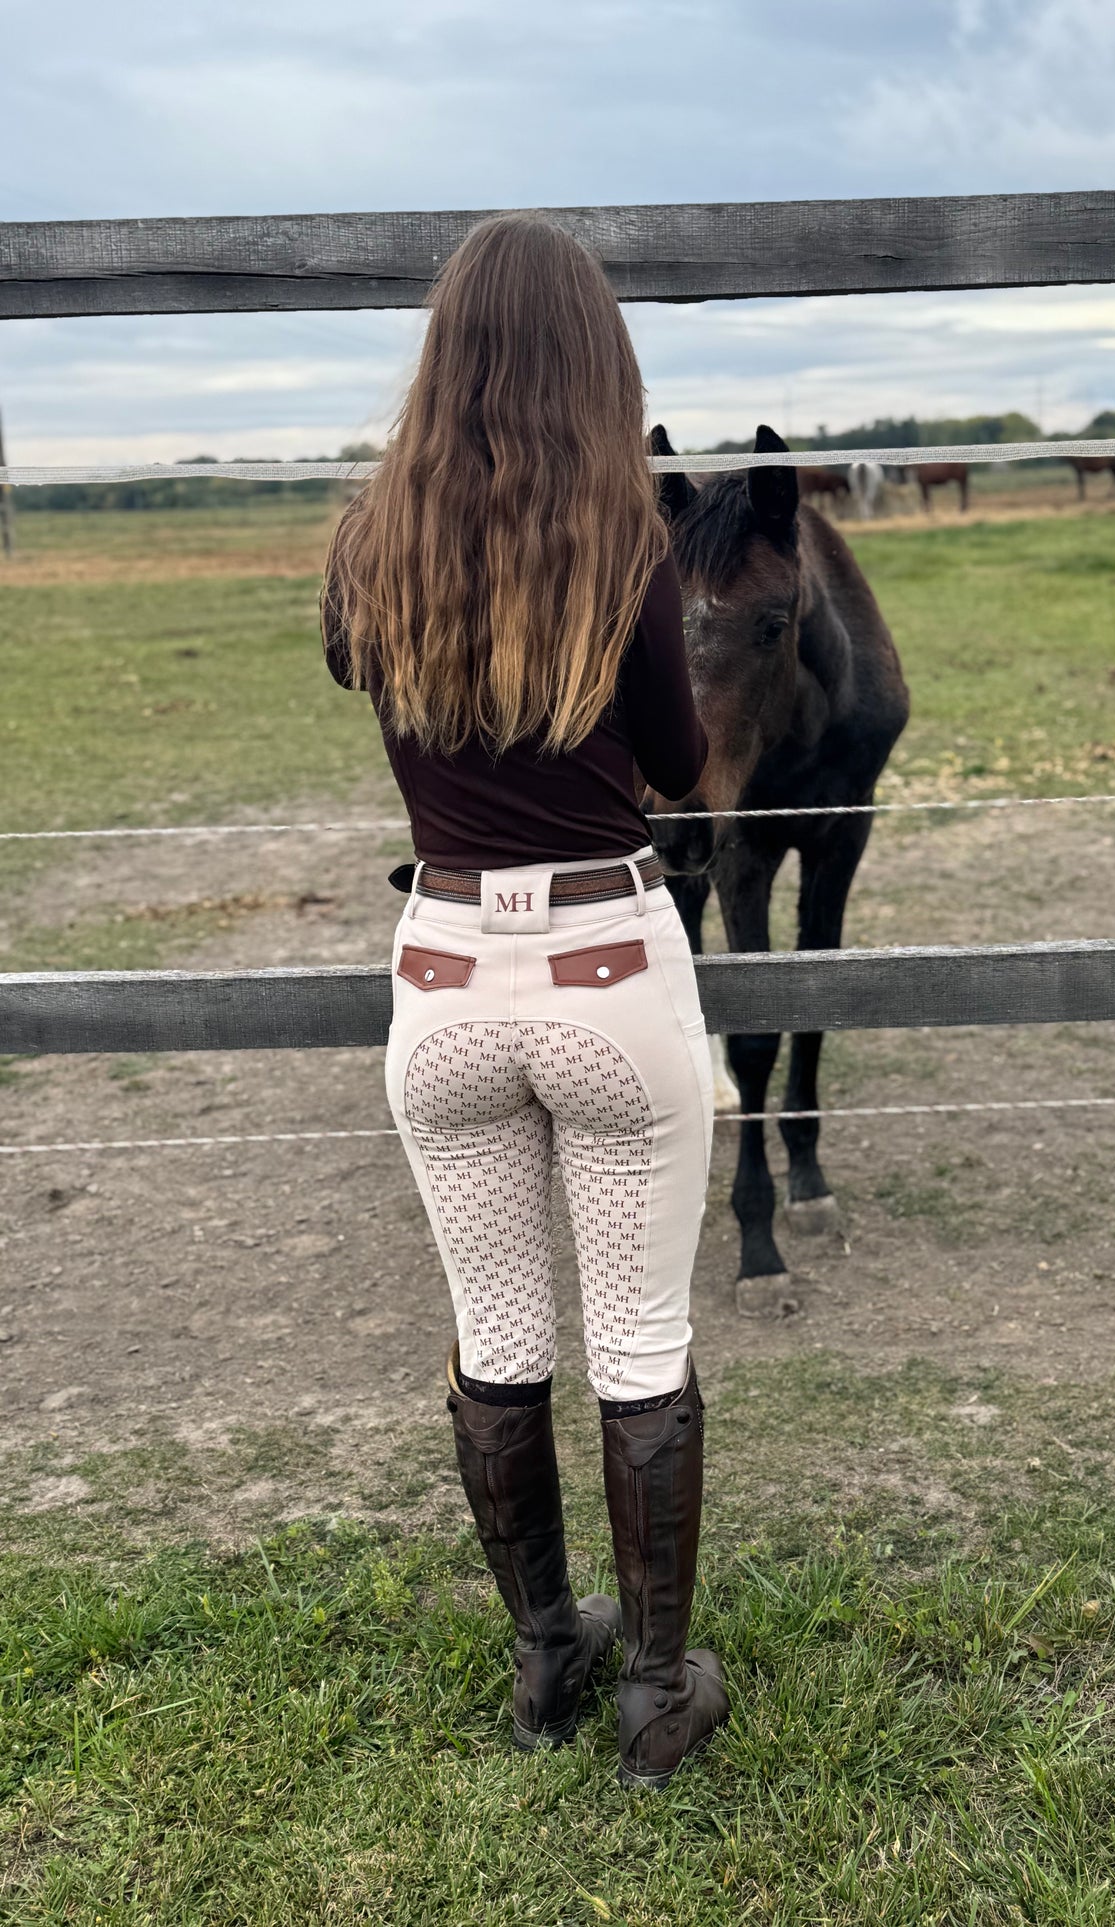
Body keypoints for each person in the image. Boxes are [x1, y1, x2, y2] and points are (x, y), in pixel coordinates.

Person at [321, 213, 726, 1789]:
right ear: (592, 359)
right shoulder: (627, 544)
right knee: (640, 1339)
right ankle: (652, 1686)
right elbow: (684, 768)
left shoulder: (371, 544)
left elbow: (357, 670)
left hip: (438, 978)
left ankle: (542, 1646)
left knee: (495, 1333)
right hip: (608, 961)